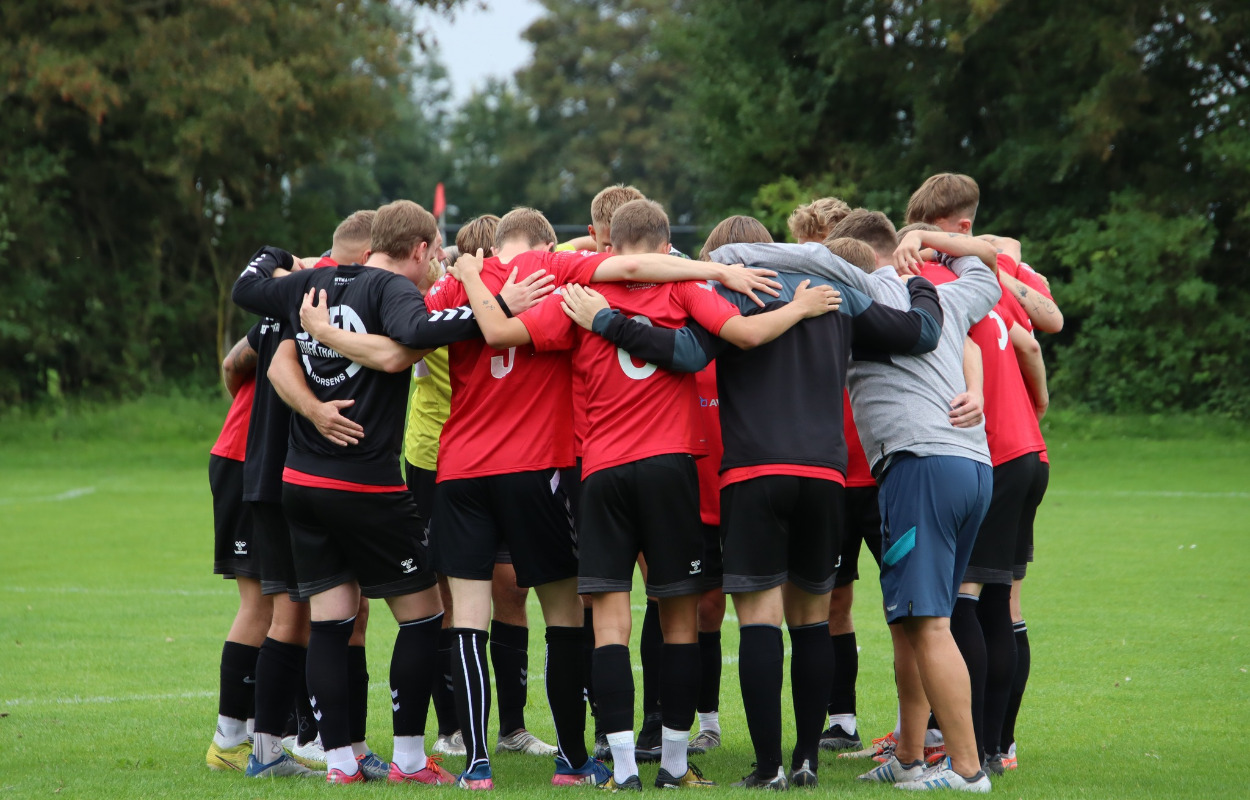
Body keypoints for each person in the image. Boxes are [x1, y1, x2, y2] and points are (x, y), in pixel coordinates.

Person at [454, 200, 840, 791]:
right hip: (669, 469)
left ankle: (624, 771)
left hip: (601, 474)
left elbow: (501, 331)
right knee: (678, 620)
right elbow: (745, 332)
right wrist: (802, 304)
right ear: (667, 251)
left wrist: (474, 279)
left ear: (609, 249)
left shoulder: (573, 297)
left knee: (608, 625)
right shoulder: (682, 292)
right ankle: (676, 767)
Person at [709, 226, 1001, 793]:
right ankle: (905, 757)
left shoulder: (848, 299)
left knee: (926, 623)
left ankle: (967, 769)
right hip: (970, 464)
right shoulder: (941, 292)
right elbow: (984, 275)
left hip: (915, 463)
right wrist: (936, 248)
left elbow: (910, 330)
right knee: (908, 622)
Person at [232, 199, 494, 785]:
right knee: (425, 615)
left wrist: (279, 262)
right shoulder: (391, 290)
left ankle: (340, 764)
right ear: (421, 250)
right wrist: (493, 309)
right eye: (432, 260)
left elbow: (247, 289)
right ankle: (406, 758)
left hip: (301, 482)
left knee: (330, 619)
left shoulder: (314, 282)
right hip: (368, 486)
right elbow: (418, 332)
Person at [905, 174, 1053, 773]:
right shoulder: (989, 286)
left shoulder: (942, 286)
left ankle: (976, 752)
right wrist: (1038, 407)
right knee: (1003, 604)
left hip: (986, 454)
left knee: (964, 604)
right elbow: (1035, 342)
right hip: (1028, 453)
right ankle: (1001, 746)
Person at [404, 214, 559, 759]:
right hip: (441, 458)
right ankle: (454, 728)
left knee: (506, 590)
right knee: (454, 597)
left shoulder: (483, 287)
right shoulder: (455, 297)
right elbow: (410, 342)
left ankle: (506, 730)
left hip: (485, 459)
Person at [205, 338, 269, 771]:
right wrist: (253, 417)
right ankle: (227, 740)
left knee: (282, 601)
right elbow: (232, 364)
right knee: (260, 603)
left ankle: (254, 731)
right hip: (243, 458)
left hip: (266, 464)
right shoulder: (289, 307)